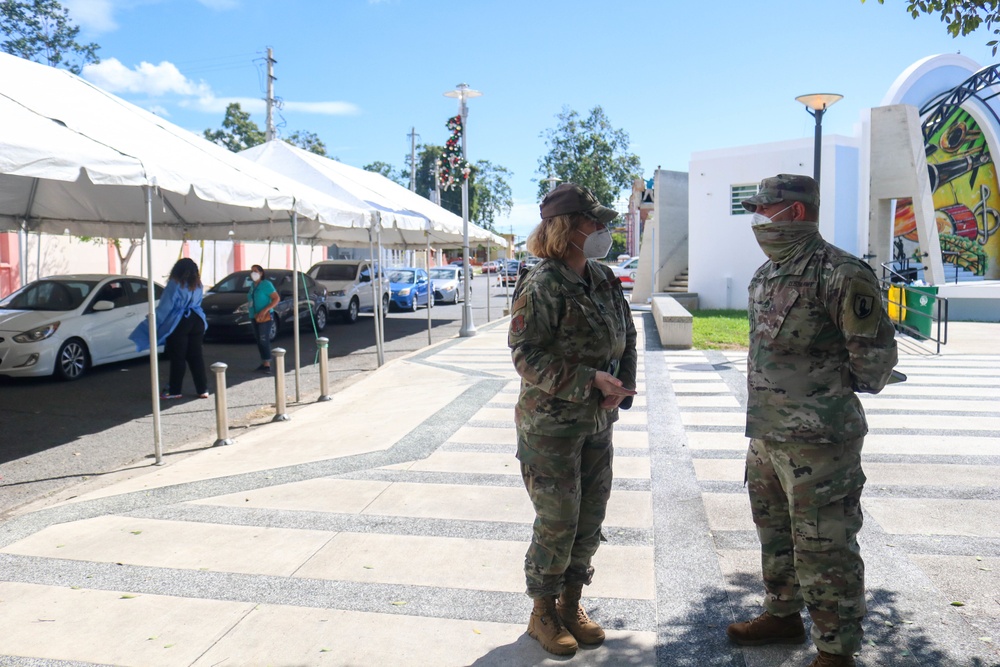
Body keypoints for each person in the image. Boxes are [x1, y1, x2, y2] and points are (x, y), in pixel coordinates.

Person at [728, 174, 898, 667]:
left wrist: (829, 392)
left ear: (796, 213)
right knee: (774, 533)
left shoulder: (843, 272)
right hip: (767, 436)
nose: (758, 220)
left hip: (822, 443)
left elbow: (874, 357)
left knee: (826, 544)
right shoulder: (767, 273)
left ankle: (836, 649)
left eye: (766, 210)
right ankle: (782, 615)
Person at [508, 183, 638, 657]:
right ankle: (542, 611)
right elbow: (526, 355)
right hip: (551, 427)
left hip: (597, 423)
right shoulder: (541, 284)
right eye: (593, 221)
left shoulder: (602, 277)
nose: (602, 229)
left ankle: (571, 603)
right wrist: (589, 382)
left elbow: (628, 332)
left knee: (590, 516)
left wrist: (620, 386)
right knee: (558, 520)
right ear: (567, 228)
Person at [129, 257, 209, 399]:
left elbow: (166, 306)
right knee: (196, 356)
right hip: (197, 319)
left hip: (180, 321)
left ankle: (174, 390)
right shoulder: (198, 284)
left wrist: (152, 320)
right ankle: (202, 389)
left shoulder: (175, 283)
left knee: (178, 357)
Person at [248, 264, 281, 374]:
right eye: (252, 271)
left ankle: (267, 364)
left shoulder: (266, 284)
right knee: (258, 340)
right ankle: (264, 362)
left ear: (261, 273)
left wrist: (265, 310)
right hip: (254, 316)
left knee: (263, 339)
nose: (253, 273)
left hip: (265, 316)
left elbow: (276, 298)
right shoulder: (253, 285)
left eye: (256, 271)